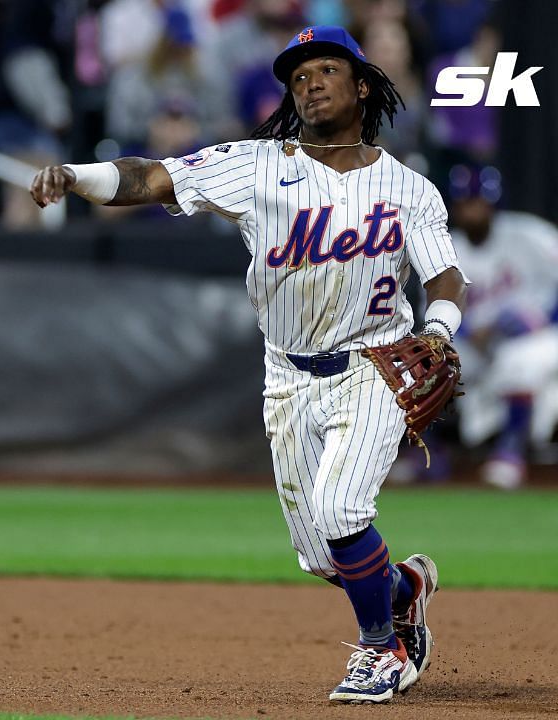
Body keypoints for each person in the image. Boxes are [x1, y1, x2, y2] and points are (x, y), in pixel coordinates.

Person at [31, 26, 464, 704]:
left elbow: (444, 276)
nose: (310, 83)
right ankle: (405, 589)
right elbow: (151, 176)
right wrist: (77, 175)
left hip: (374, 364)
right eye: (297, 77)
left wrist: (437, 330)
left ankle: (385, 649)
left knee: (342, 508)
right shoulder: (255, 164)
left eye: (325, 69)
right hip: (288, 376)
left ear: (361, 85)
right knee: (323, 554)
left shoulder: (411, 189)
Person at [447, 164, 558, 489]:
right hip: (482, 345)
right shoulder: (446, 246)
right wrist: (466, 331)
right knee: (431, 361)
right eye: (467, 203)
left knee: (518, 360)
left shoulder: (530, 235)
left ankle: (511, 451)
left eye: (480, 202)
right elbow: (435, 311)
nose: (473, 210)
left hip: (543, 334)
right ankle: (430, 450)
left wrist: (542, 316)